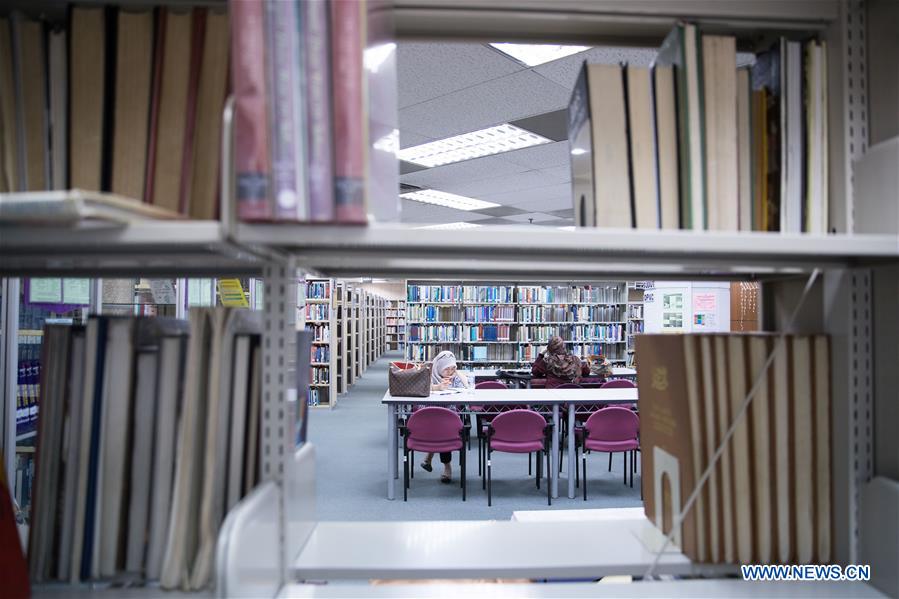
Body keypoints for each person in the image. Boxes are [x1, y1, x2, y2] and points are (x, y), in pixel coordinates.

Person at [421, 350, 471, 483]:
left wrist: (458, 372)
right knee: (440, 428)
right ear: (438, 368)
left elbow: (469, 387)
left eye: (452, 368)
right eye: (446, 369)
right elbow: (419, 388)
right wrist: (437, 388)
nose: (450, 371)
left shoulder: (455, 378)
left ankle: (430, 457)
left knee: (443, 428)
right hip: (429, 418)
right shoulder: (428, 376)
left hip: (449, 420)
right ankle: (446, 466)